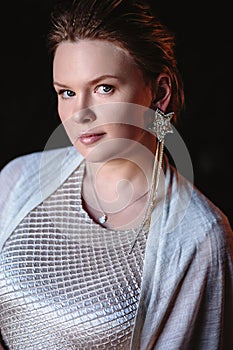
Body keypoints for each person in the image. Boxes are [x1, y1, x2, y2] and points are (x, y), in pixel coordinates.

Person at [0, 0, 232, 349]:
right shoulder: (19, 179)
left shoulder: (199, 237)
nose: (80, 114)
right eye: (67, 92)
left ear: (160, 93)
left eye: (104, 88)